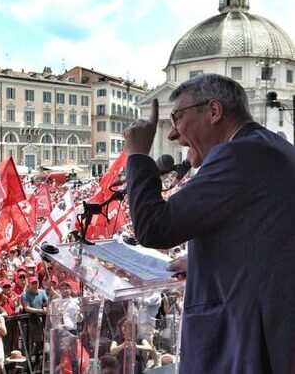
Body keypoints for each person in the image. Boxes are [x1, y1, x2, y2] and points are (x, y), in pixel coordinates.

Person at [123, 73, 295, 373]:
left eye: (177, 118)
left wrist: (137, 155)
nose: (173, 134)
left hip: (249, 343)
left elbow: (154, 227)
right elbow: (270, 237)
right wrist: (207, 260)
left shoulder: (238, 154)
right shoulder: (271, 147)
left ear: (214, 111)